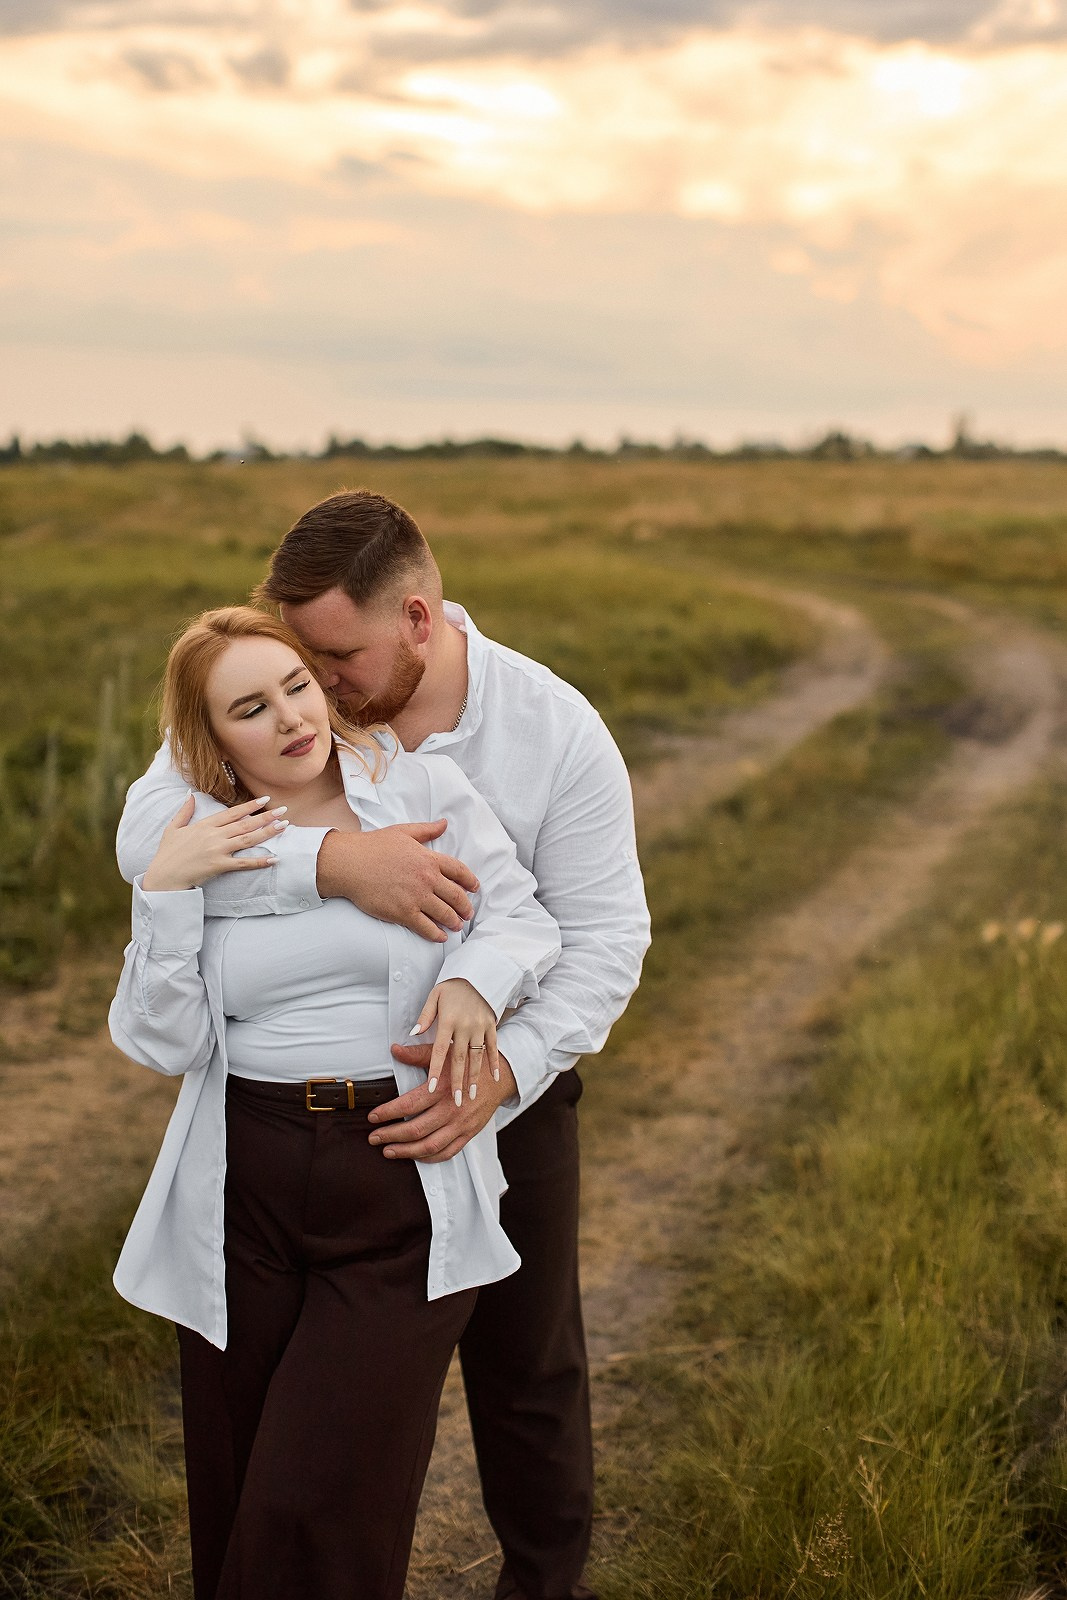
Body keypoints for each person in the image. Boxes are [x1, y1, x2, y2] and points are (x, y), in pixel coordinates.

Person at [117, 492, 652, 1600]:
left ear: (416, 616)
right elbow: (153, 841)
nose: (313, 687)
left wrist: (497, 1067)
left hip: (508, 1083)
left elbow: (598, 937)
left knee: (526, 1370)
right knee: (280, 1440)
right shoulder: (276, 709)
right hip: (275, 1131)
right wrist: (332, 863)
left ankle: (541, 1586)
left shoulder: (547, 729)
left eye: (332, 658)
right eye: (292, 663)